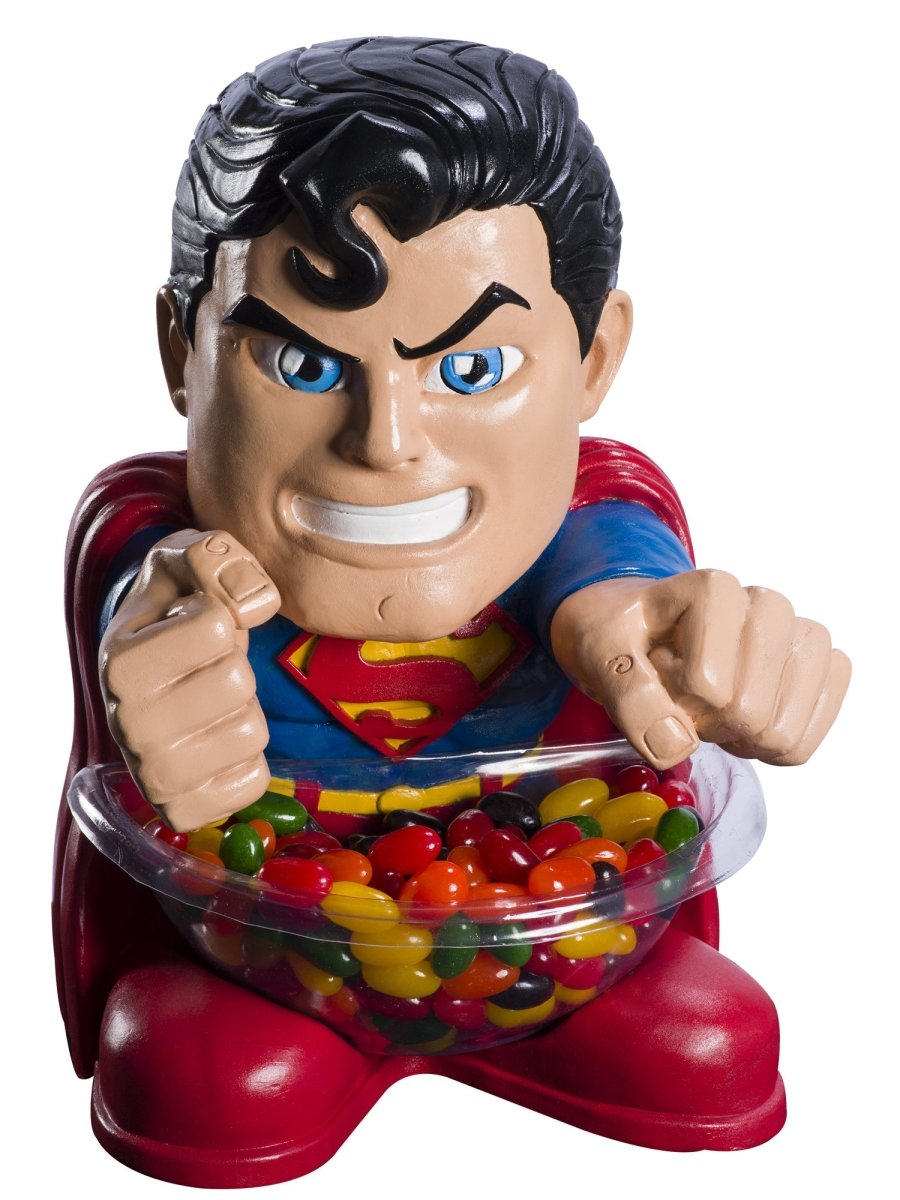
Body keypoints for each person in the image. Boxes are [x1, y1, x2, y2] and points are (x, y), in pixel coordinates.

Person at [55, 37, 849, 1185]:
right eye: (305, 366)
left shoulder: (598, 523)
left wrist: (657, 633)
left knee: (712, 1044)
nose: (385, 444)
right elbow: (141, 559)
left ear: (593, 359)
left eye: (471, 370)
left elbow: (612, 558)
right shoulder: (164, 551)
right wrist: (157, 629)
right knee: (206, 1073)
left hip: (565, 953)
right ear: (184, 352)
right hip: (260, 956)